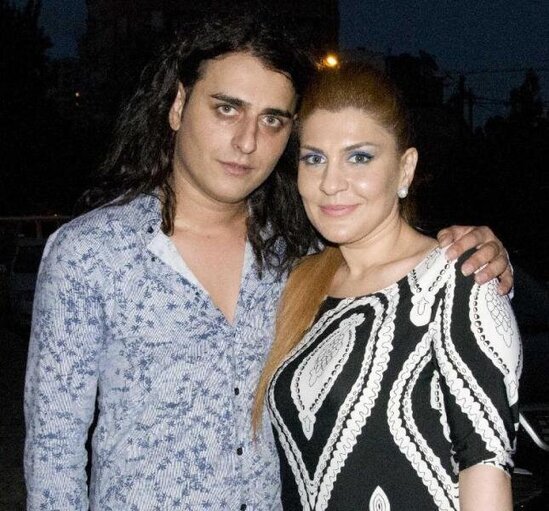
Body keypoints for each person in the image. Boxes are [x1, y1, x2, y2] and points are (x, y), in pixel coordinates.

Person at [25, 12, 512, 511]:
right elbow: (53, 454)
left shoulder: (297, 256)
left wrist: (483, 263)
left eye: (273, 120)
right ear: (177, 106)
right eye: (227, 109)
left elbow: (401, 284)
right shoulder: (90, 254)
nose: (247, 141)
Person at [254, 63, 522, 510]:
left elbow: (485, 466)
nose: (330, 183)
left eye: (359, 157)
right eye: (314, 158)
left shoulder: (458, 279)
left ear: (405, 169)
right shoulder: (299, 284)